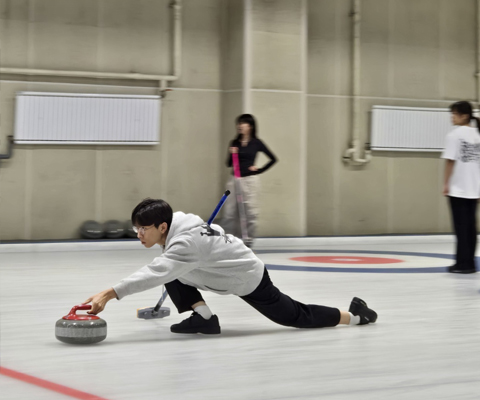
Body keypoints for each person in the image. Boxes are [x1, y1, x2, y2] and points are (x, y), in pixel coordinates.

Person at [84, 198, 378, 334]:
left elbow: (155, 272)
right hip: (221, 271)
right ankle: (204, 319)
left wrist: (110, 293)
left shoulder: (185, 243)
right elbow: (163, 269)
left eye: (143, 229)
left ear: (162, 226)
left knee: (295, 317)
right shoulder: (176, 233)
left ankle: (355, 316)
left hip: (248, 277)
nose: (138, 234)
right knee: (169, 270)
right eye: (135, 228)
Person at [223, 114, 277, 245]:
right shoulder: (234, 143)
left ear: (250, 126)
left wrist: (259, 170)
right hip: (234, 179)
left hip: (250, 181)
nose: (240, 126)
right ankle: (230, 243)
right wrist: (232, 154)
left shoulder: (257, 143)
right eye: (239, 123)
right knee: (230, 213)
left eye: (243, 123)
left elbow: (273, 159)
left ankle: (248, 243)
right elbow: (228, 164)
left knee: (251, 213)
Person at [442, 101, 480, 274]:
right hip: (474, 187)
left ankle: (462, 264)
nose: (452, 117)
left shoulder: (454, 135)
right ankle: (469, 263)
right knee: (470, 228)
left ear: (464, 116)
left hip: (459, 188)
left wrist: (446, 183)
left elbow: (450, 161)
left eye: (454, 113)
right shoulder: (477, 134)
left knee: (461, 228)